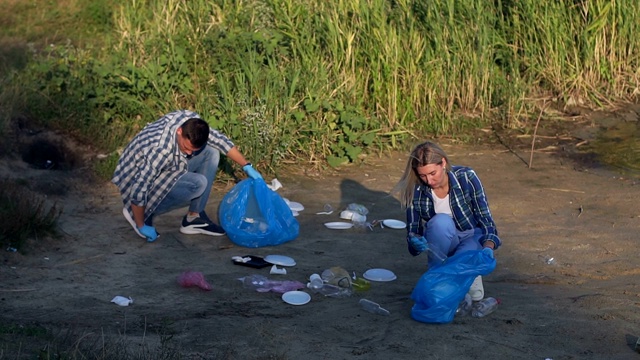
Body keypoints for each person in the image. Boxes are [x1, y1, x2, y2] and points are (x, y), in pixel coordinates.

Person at [112, 110, 262, 242]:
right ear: (179, 131)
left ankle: (193, 218)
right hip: (133, 177)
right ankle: (142, 213)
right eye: (186, 148)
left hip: (164, 163)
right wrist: (141, 225)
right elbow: (139, 188)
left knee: (212, 152)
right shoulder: (160, 150)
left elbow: (220, 141)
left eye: (192, 150)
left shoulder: (192, 122)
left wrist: (247, 166)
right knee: (198, 184)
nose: (190, 154)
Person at [393, 141, 501, 301]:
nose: (428, 180)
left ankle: (471, 271)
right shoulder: (414, 188)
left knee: (469, 289)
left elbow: (485, 219)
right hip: (441, 243)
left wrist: (488, 248)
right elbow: (413, 230)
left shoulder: (467, 177)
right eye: (422, 175)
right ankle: (437, 273)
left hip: (471, 237)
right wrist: (414, 240)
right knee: (440, 222)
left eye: (432, 173)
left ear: (443, 162)